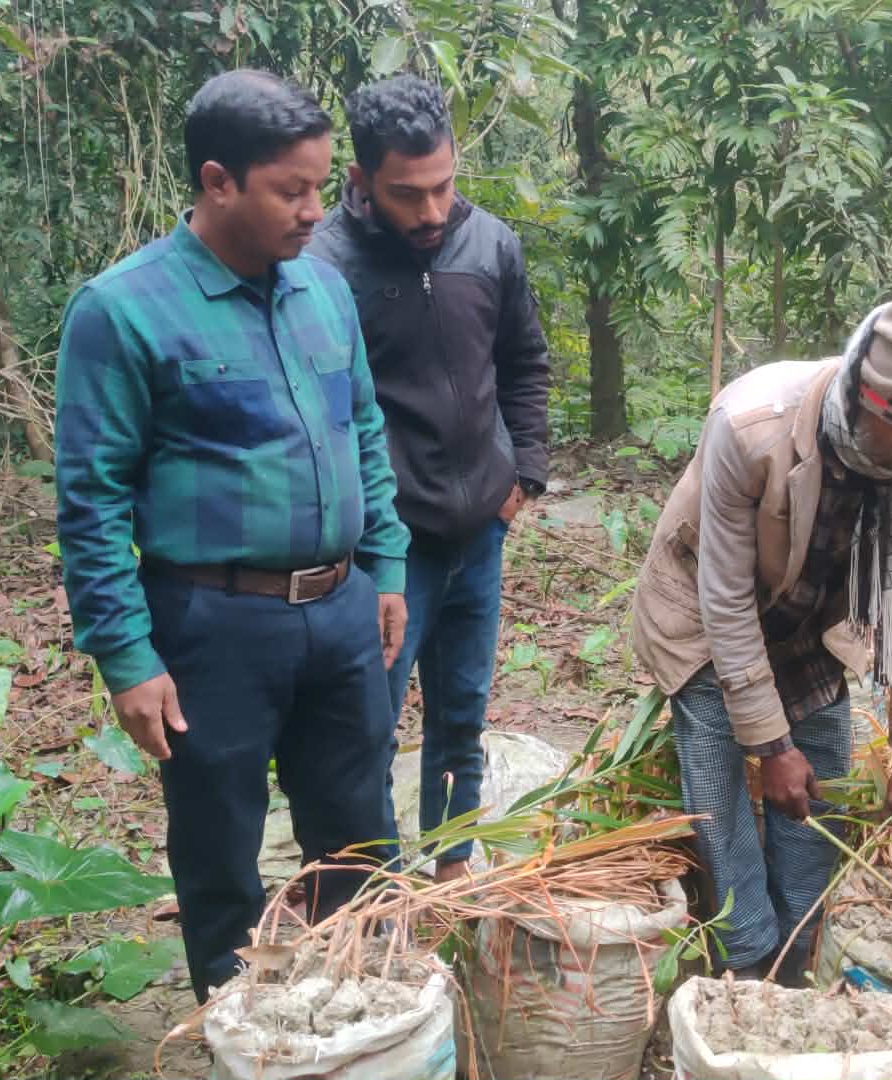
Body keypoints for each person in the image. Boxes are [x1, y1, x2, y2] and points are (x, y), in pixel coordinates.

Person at [53, 70, 410, 1000]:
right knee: (219, 844)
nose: (314, 210)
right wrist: (126, 655)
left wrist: (385, 565)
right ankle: (237, 1022)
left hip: (337, 610)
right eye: (290, 190)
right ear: (218, 182)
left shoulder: (323, 293)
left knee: (361, 832)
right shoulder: (123, 310)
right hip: (211, 624)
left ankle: (361, 1007)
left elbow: (363, 430)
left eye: (321, 187)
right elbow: (90, 498)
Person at [630, 284, 892, 981]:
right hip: (702, 614)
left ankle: (804, 949)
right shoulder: (751, 424)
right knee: (720, 794)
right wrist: (768, 744)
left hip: (807, 615)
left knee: (818, 786)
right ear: (866, 401)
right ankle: (749, 963)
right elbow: (725, 600)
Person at [306, 75, 549, 882]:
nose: (434, 212)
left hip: (480, 527)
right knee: (368, 721)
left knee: (461, 712)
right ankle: (373, 886)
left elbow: (523, 365)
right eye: (408, 195)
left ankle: (451, 869)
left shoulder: (491, 248)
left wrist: (526, 480)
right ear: (360, 180)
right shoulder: (322, 268)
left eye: (444, 185)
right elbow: (323, 415)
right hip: (388, 544)